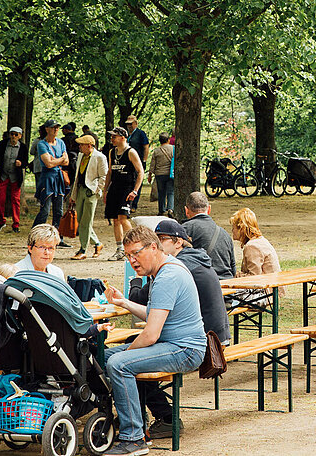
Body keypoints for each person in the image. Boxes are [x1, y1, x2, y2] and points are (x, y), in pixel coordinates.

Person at [102, 226, 206, 455]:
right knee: (100, 356)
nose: (132, 260)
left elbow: (151, 335)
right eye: (128, 255)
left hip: (186, 349)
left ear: (152, 247)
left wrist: (126, 352)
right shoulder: (163, 270)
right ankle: (122, 420)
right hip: (172, 345)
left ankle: (134, 438)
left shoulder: (168, 276)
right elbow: (155, 313)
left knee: (118, 363)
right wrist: (125, 303)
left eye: (136, 253)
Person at [135, 218, 230, 439]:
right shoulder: (197, 259)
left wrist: (134, 281)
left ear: (178, 242)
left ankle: (164, 418)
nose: (156, 245)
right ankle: (146, 415)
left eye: (161, 240)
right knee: (137, 349)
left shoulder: (175, 267)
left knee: (133, 359)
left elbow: (139, 297)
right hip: (217, 336)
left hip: (205, 345)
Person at [227, 207, 280, 308]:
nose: (232, 231)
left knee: (224, 297)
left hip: (263, 295)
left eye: (233, 227)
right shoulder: (261, 240)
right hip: (271, 290)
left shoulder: (252, 246)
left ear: (241, 229)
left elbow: (254, 278)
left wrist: (235, 275)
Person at [103, 127, 144, 261]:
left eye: (114, 136)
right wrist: (105, 190)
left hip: (127, 188)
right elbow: (109, 171)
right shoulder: (111, 152)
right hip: (114, 188)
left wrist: (135, 191)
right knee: (115, 220)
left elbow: (140, 172)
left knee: (123, 218)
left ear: (122, 137)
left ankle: (136, 247)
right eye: (111, 137)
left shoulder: (131, 152)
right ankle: (120, 249)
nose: (112, 139)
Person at [68, 134, 108, 260]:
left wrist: (97, 190)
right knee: (80, 220)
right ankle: (97, 243)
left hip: (91, 192)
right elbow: (77, 177)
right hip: (80, 190)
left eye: (81, 145)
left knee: (86, 221)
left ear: (89, 146)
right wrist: (73, 195)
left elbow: (104, 176)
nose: (79, 147)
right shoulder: (81, 155)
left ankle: (83, 249)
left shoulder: (100, 157)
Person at [181, 192, 236, 279]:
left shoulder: (183, 230)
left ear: (186, 210)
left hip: (202, 285)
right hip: (227, 284)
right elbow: (233, 268)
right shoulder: (225, 234)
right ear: (209, 209)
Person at [33, 120, 70, 242]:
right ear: (47, 129)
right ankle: (36, 236)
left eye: (57, 127)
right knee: (45, 210)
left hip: (59, 178)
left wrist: (55, 160)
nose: (56, 129)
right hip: (47, 179)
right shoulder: (42, 144)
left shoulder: (61, 142)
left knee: (59, 210)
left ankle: (58, 239)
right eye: (53, 127)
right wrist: (60, 159)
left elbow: (67, 161)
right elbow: (48, 164)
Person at [0, 126, 26, 232]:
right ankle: (0, 221)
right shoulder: (2, 144)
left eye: (16, 134)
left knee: (16, 200)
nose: (13, 137)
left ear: (20, 136)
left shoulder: (22, 147)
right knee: (0, 199)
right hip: (3, 175)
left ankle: (16, 224)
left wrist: (21, 163)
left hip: (15, 177)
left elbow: (25, 162)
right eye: (12, 134)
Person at [125, 116, 150, 210]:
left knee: (137, 182)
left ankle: (134, 205)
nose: (129, 126)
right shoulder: (126, 134)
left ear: (135, 123)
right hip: (128, 162)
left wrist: (144, 160)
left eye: (131, 124)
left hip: (138, 161)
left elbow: (146, 146)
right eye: (127, 124)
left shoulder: (140, 134)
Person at [150, 133, 174, 216]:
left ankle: (161, 210)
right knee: (171, 192)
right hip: (170, 174)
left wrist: (150, 174)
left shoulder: (156, 151)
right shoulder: (173, 149)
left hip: (159, 174)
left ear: (160, 141)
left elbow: (153, 164)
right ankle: (170, 209)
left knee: (161, 193)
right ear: (168, 140)